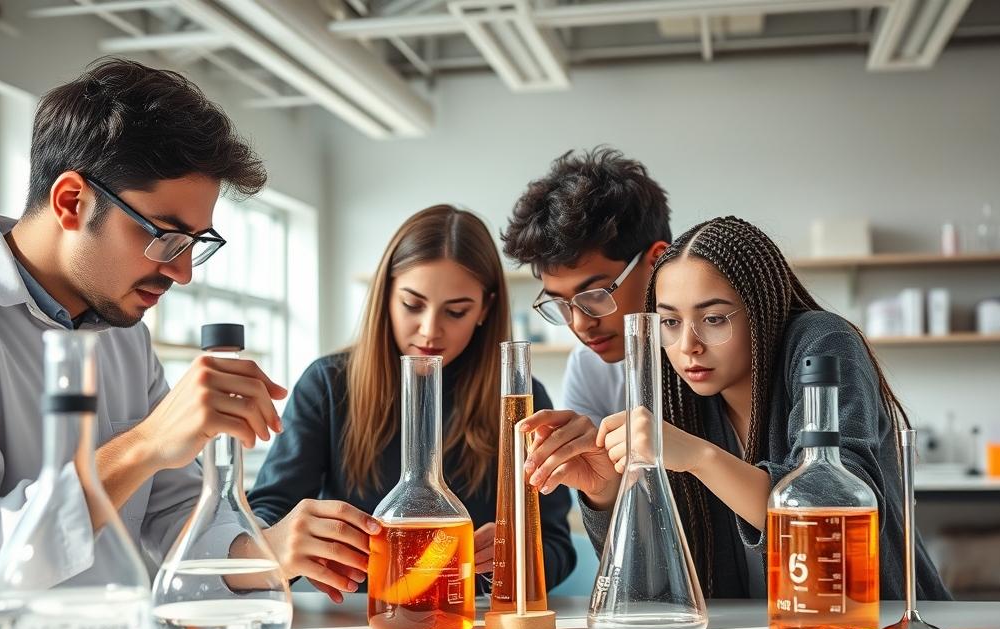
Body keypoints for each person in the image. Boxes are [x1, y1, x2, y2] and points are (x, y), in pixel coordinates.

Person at [0, 58, 286, 628]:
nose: (182, 273)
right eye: (166, 237)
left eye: (196, 242)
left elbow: (172, 515)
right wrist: (144, 444)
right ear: (71, 200)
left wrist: (269, 551)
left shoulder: (124, 338)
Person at [527, 216, 950, 600]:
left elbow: (833, 520)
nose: (688, 345)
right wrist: (604, 493)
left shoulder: (823, 345)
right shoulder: (674, 390)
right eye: (670, 322)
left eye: (713, 319)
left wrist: (699, 457)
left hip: (876, 624)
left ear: (761, 311)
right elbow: (649, 588)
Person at [248, 205, 576, 603]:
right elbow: (269, 511)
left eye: (456, 311)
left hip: (468, 624)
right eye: (412, 304)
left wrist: (510, 560)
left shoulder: (518, 401)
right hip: (357, 623)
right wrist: (284, 550)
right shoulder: (329, 384)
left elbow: (557, 545)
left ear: (485, 310)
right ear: (386, 293)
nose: (430, 330)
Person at [499, 147, 670, 510]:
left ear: (657, 262)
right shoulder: (588, 366)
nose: (579, 324)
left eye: (594, 295)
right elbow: (621, 544)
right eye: (561, 304)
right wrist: (603, 491)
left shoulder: (717, 358)